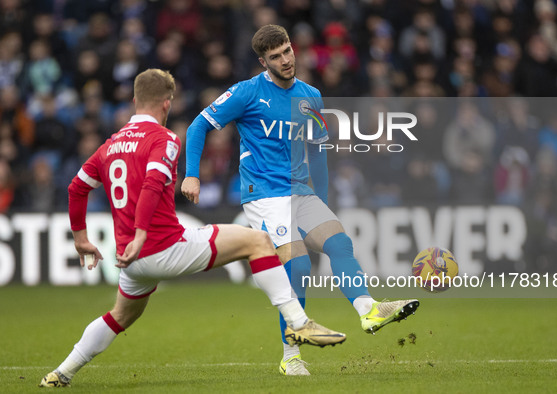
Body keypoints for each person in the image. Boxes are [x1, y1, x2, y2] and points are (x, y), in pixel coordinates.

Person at [39, 69, 345, 388]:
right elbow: (153, 183)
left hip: (130, 258)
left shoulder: (110, 146)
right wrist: (143, 231)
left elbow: (76, 188)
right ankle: (299, 322)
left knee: (121, 315)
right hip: (165, 246)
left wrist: (81, 240)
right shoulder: (165, 138)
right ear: (167, 103)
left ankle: (62, 372)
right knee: (258, 241)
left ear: (134, 101)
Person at [181, 25, 419, 376]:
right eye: (275, 56)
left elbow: (318, 150)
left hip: (300, 191)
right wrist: (192, 174)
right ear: (264, 61)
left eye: (288, 51)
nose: (285, 60)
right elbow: (198, 126)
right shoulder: (247, 92)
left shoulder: (310, 96)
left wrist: (321, 201)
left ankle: (369, 311)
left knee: (339, 243)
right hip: (264, 194)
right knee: (299, 266)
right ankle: (290, 356)